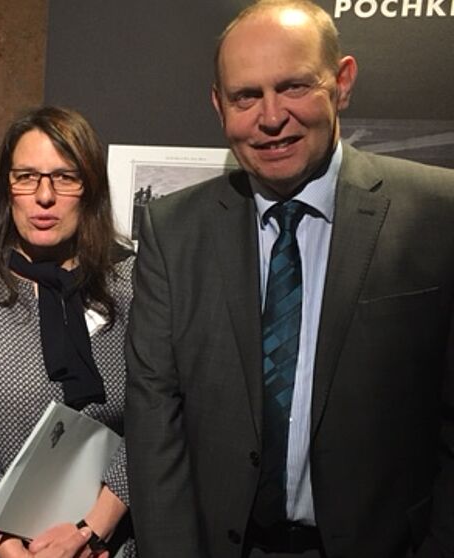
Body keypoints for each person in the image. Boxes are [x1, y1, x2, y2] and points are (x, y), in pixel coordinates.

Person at [125, 1, 454, 557]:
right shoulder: (172, 231)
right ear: (218, 104)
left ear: (342, 82)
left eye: (295, 87)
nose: (271, 117)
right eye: (245, 96)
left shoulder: (438, 214)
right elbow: (156, 419)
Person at [0, 106, 137, 557]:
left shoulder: (135, 287)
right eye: (26, 176)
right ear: (8, 187)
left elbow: (157, 420)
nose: (45, 197)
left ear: (92, 188)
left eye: (65, 177)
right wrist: (9, 545)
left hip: (103, 545)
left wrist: (90, 529)